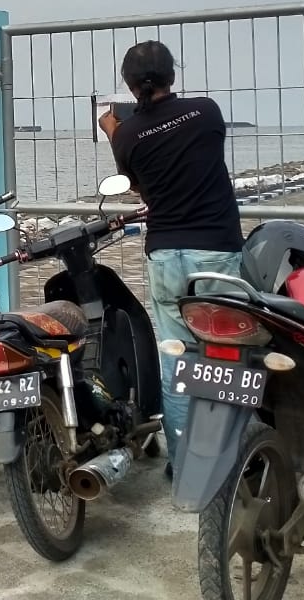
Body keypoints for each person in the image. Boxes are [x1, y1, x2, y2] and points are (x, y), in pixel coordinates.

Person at [98, 39, 243, 475]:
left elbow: (141, 187)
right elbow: (191, 155)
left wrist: (113, 131)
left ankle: (184, 468)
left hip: (166, 256)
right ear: (172, 76)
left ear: (128, 84)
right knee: (228, 357)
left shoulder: (126, 136)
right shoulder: (207, 112)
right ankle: (236, 462)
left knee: (178, 365)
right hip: (216, 251)